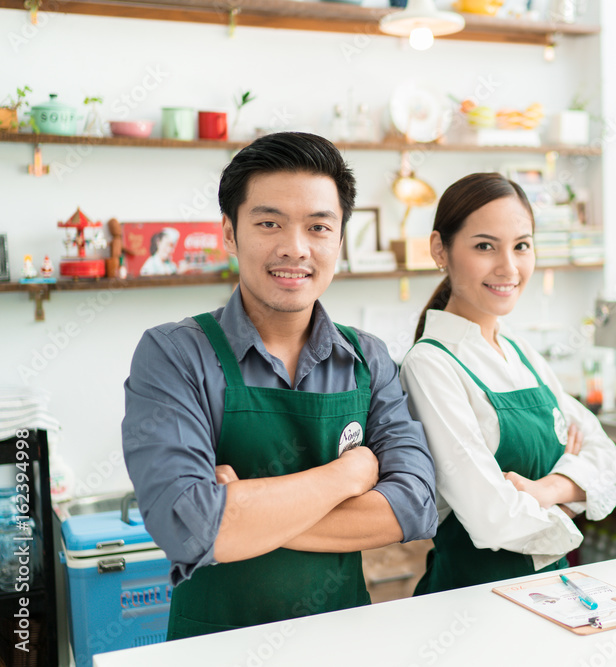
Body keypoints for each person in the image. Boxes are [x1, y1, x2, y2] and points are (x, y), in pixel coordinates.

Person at [122, 132, 437, 640]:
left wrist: (241, 513)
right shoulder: (175, 355)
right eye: (269, 223)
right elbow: (185, 526)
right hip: (213, 645)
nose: (295, 248)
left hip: (342, 640)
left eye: (318, 227)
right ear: (230, 231)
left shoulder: (368, 359)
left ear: (338, 240)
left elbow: (414, 507)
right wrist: (348, 476)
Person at [399, 172, 616, 594]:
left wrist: (543, 490)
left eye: (521, 246)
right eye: (485, 246)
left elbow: (607, 457)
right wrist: (575, 497)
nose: (508, 267)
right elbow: (492, 519)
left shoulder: (521, 352)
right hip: (471, 601)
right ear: (439, 250)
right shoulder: (430, 365)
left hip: (554, 592)